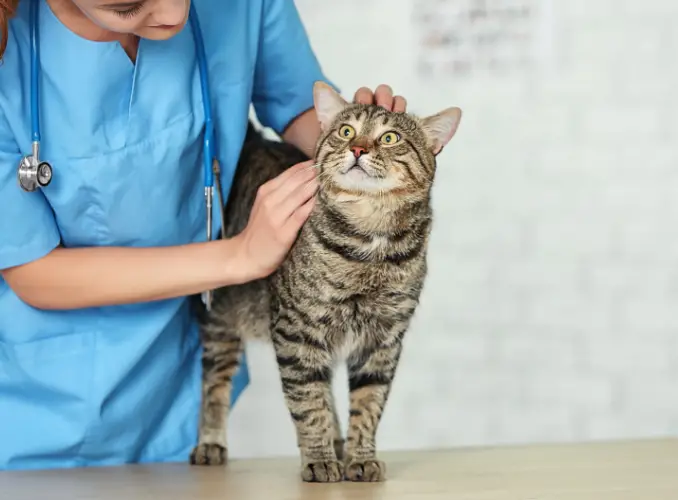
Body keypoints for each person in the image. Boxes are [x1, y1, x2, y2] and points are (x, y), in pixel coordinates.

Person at [0, 0, 407, 471]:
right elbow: (32, 269)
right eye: (129, 7)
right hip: (33, 416)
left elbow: (300, 105)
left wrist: (363, 144)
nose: (174, 15)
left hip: (180, 393)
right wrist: (239, 257)